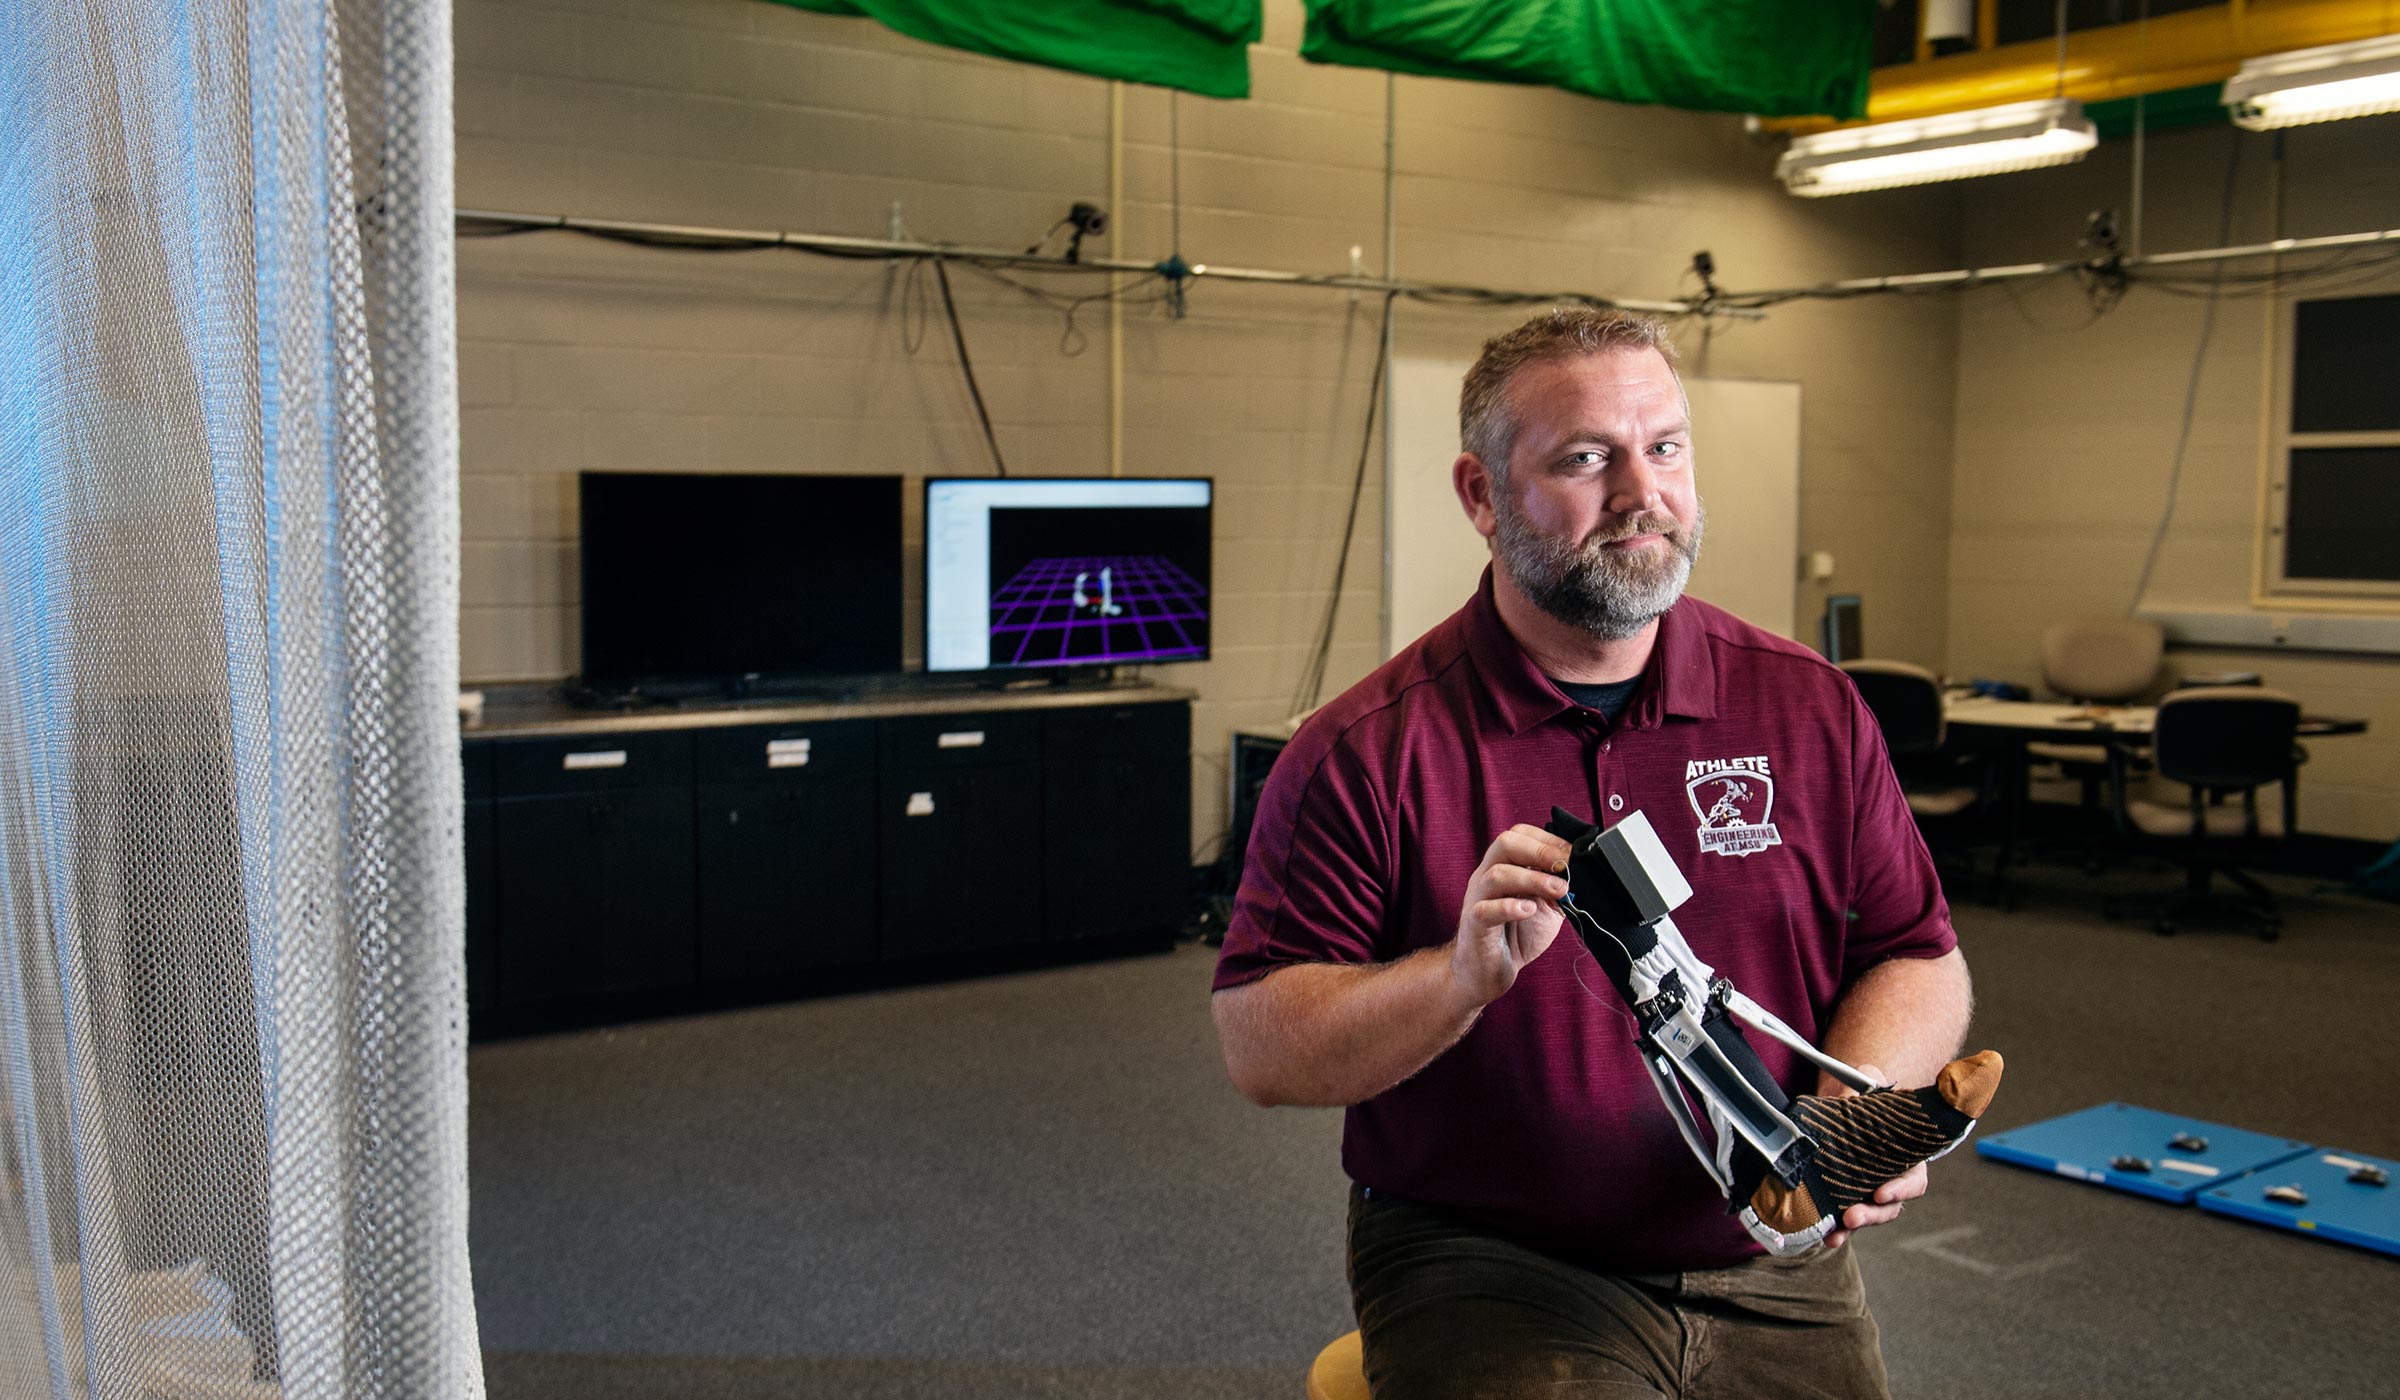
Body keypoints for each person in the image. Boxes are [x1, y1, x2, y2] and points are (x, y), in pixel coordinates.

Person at [1209, 308, 1973, 1399]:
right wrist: (1459, 978)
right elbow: (1260, 1048)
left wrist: (1848, 1118)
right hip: (1489, 1258)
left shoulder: (1807, 704)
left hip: (1769, 1249)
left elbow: (1916, 952)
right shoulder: (1366, 751)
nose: (1641, 493)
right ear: (1481, 495)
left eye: (1664, 447)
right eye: (1585, 459)